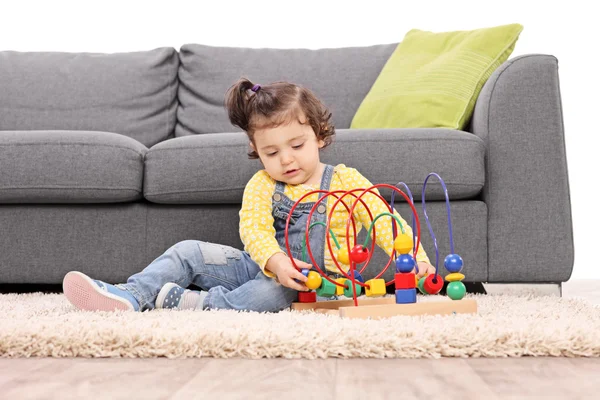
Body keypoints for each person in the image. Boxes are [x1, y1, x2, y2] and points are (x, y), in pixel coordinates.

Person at [62, 78, 435, 313]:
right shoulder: (262, 185)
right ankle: (130, 294)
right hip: (263, 266)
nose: (286, 159)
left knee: (269, 298)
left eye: (297, 145)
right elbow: (253, 230)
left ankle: (199, 305)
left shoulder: (345, 179)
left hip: (315, 283)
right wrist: (275, 261)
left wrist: (414, 259)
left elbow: (383, 220)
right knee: (188, 249)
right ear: (258, 152)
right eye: (272, 153)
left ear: (319, 136)